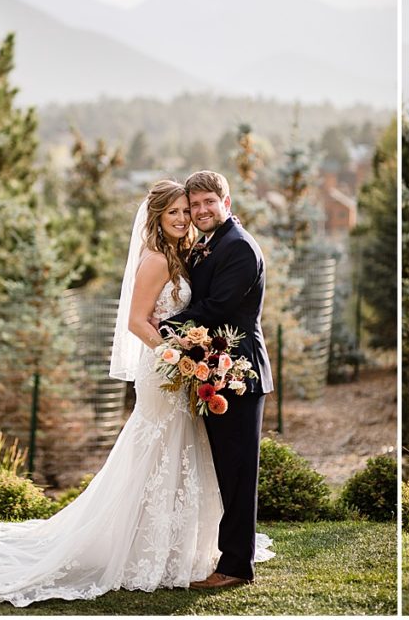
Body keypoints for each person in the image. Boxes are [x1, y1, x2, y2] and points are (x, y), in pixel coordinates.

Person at [0, 180, 272, 607]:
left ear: (226, 203)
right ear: (157, 218)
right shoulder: (160, 259)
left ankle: (213, 556)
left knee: (195, 458)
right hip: (171, 365)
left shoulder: (221, 247)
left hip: (217, 370)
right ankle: (158, 550)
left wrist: (183, 352)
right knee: (161, 452)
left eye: (196, 207)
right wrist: (172, 350)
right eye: (180, 210)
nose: (189, 216)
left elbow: (214, 309)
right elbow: (139, 319)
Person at [158, 170, 275, 590]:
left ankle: (237, 566)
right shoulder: (211, 243)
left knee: (239, 473)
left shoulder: (239, 247)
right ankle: (225, 554)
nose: (201, 211)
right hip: (214, 369)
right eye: (195, 205)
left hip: (239, 374)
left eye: (210, 202)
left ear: (226, 202)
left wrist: (160, 328)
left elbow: (215, 308)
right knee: (224, 469)